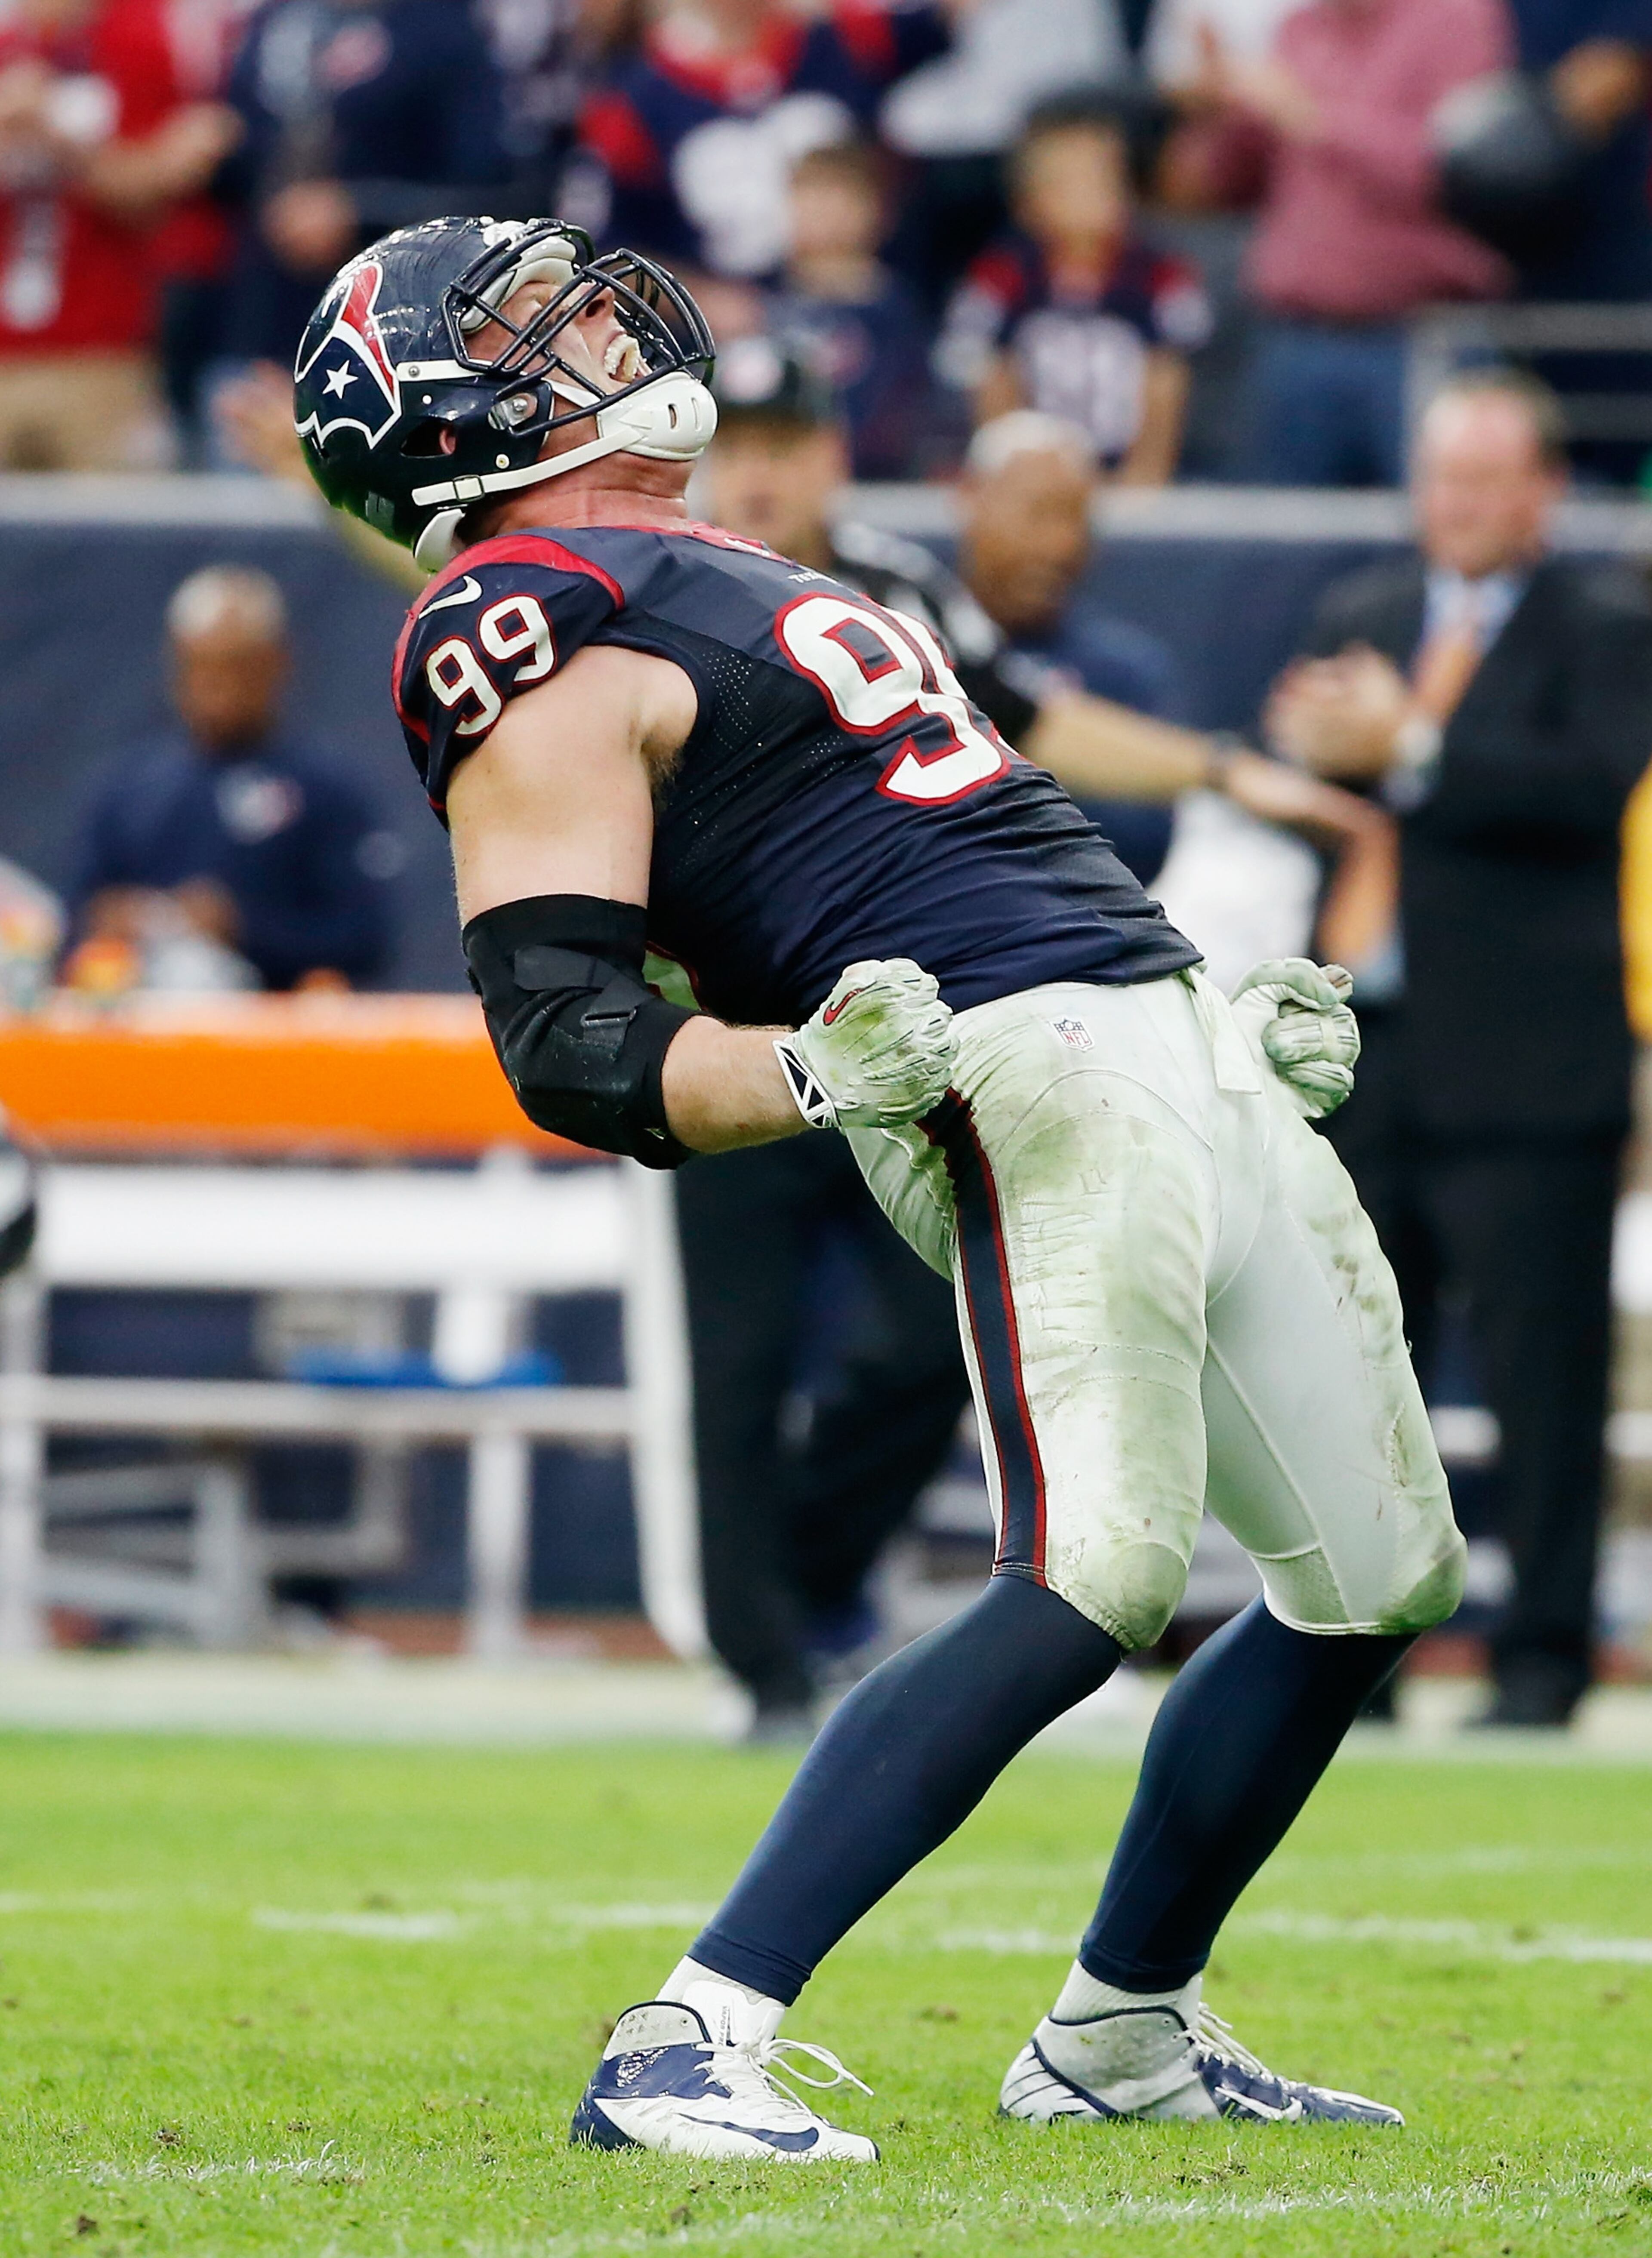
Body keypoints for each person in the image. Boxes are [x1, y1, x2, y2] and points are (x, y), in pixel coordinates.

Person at [296, 213, 1462, 2156]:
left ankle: (1121, 2025)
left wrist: (1192, 999)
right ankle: (690, 2025)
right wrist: (813, 1069)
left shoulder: (728, 561)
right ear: (446, 419)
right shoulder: (516, 612)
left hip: (1144, 1028)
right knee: (1087, 1567)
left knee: (1376, 1571)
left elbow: (967, 819)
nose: (596, 324)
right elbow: (563, 1026)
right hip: (1015, 1066)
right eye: (531, 326)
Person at [1267, 368, 1652, 1728]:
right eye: (1443, 478)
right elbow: (1318, 793)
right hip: (1368, 1050)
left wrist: (1411, 742)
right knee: (1352, 1365)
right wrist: (1307, 757)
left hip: (1529, 1064)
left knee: (1543, 1379)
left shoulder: (1604, 623)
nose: (1462, 506)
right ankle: (1346, 1655)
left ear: (1544, 489)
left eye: (1489, 479)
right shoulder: (1360, 611)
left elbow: (1590, 788)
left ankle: (1539, 1659)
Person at [1184, 0, 1509, 487]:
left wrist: (1312, 117)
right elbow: (1228, 185)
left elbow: (1459, 171)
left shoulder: (1458, 19)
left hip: (1420, 340)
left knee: (1442, 531)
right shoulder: (1298, 29)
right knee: (1285, 543)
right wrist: (1222, 111)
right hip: (1296, 338)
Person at [68, 565, 395, 992]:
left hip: (279, 1036)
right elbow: (69, 926)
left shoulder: (327, 790)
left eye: (239, 668)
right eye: (202, 668)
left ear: (278, 662)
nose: (219, 689)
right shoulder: (129, 789)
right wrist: (113, 921)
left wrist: (243, 928)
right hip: (140, 1031)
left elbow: (365, 938)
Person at [574, 0, 958, 292]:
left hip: (866, 301)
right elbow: (603, 247)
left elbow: (949, 22)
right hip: (726, 333)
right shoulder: (634, 99)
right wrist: (705, 300)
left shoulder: (845, 38)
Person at [0, 0, 239, 468]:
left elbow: (152, 196)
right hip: (11, 350)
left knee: (107, 527)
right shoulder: (12, 41)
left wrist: (53, 135)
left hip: (102, 352)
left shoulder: (141, 37)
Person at [215, 0, 509, 376]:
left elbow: (489, 193)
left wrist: (359, 210)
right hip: (253, 317)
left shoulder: (445, 31)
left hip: (389, 335)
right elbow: (235, 155)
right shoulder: (275, 24)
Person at [937, 92, 1209, 482]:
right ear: (1031, 202)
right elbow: (991, 374)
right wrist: (1013, 468)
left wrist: (1145, 475)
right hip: (1037, 473)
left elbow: (1167, 378)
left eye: (1107, 178)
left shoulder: (1159, 273)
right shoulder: (1002, 276)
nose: (1096, 195)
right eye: (1074, 183)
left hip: (1126, 468)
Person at [763, 138, 940, 481]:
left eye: (836, 197)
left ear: (876, 211)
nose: (821, 212)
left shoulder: (894, 309)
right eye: (808, 196)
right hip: (779, 475)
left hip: (875, 481)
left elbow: (906, 410)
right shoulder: (759, 298)